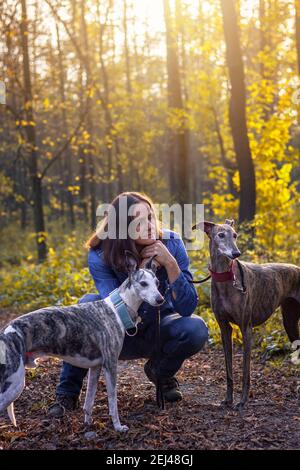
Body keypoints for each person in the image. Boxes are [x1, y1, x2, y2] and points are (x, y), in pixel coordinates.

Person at [48, 191, 208, 417]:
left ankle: (160, 372)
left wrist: (171, 265)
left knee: (195, 329)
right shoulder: (100, 254)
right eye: (139, 222)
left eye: (151, 217)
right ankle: (67, 394)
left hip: (159, 327)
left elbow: (187, 307)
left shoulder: (171, 243)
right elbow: (112, 309)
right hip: (119, 335)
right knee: (86, 305)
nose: (150, 225)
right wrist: (139, 274)